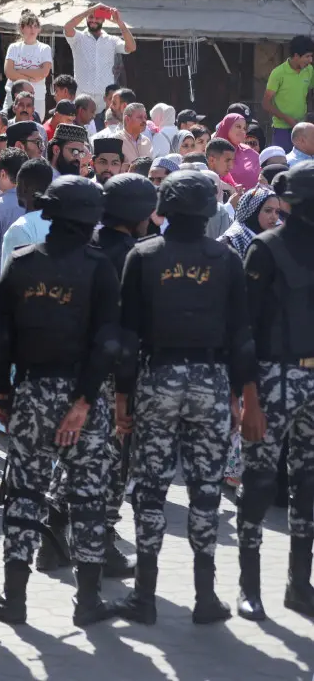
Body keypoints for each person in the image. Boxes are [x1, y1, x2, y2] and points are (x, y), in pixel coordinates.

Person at [110, 170, 256, 625]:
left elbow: (127, 335)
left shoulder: (144, 255)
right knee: (206, 489)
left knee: (150, 489)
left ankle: (145, 597)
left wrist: (121, 398)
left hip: (157, 378)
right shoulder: (227, 260)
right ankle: (206, 597)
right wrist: (238, 396)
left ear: (165, 209)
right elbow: (241, 334)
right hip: (212, 381)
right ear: (211, 209)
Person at [0, 175, 118, 626]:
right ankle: (89, 600)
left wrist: (2, 393)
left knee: (23, 493)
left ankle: (13, 599)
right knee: (89, 497)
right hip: (84, 399)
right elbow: (106, 344)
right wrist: (82, 403)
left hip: (32, 392)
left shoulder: (20, 263)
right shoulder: (99, 268)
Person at [237, 162, 314, 620]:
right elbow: (244, 326)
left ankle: (298, 585)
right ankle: (250, 587)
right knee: (259, 485)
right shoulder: (266, 249)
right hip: (272, 377)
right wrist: (248, 394)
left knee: (308, 486)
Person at [92, 173, 158, 575]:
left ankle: (58, 535)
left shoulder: (87, 246)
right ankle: (101, 540)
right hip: (120, 376)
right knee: (115, 462)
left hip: (82, 368)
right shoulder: (138, 255)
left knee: (80, 457)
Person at [63, 4, 136, 109]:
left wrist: (120, 23)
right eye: (91, 17)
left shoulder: (112, 40)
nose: (93, 20)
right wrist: (89, 10)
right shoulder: (78, 38)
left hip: (105, 98)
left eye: (97, 17)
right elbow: (67, 27)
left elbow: (131, 47)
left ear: (103, 20)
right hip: (82, 96)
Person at [0, 158, 56, 275]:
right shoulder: (60, 222)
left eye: (18, 184)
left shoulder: (20, 228)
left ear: (23, 187)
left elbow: (10, 282)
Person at [263, 35, 314, 152]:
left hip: (303, 128)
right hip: (282, 130)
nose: (310, 60)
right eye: (307, 56)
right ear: (296, 56)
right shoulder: (278, 73)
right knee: (284, 164)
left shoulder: (309, 70)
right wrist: (287, 119)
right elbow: (266, 103)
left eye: (311, 56)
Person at [4, 11, 53, 117]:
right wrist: (30, 79)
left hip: (37, 97)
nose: (33, 30)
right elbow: (9, 73)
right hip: (13, 97)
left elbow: (43, 73)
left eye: (36, 26)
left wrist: (18, 71)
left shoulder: (44, 48)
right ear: (22, 28)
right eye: (29, 26)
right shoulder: (14, 47)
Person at [219, 186, 280, 259]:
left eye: (277, 212)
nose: (274, 217)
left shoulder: (273, 240)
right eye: (268, 211)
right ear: (253, 211)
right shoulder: (232, 241)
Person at [214, 112, 261, 190]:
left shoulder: (250, 152)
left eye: (244, 128)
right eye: (238, 126)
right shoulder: (212, 151)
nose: (242, 131)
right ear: (227, 127)